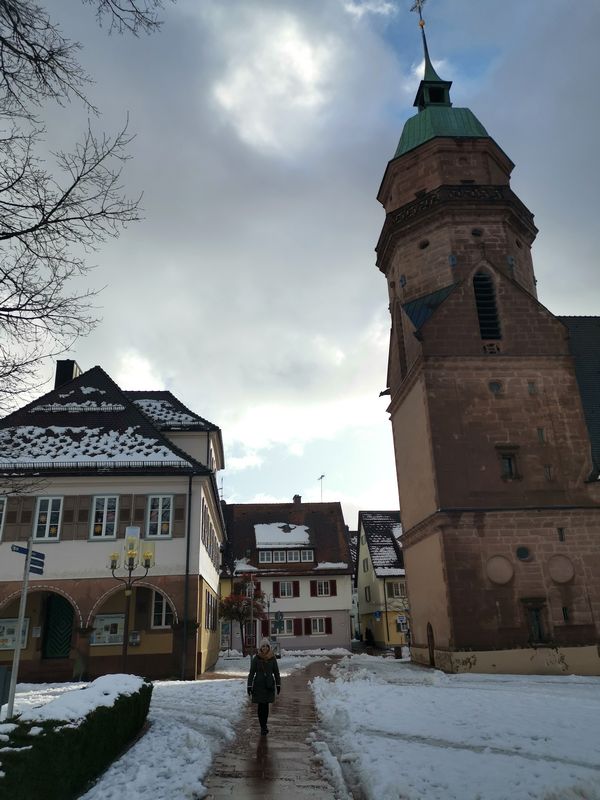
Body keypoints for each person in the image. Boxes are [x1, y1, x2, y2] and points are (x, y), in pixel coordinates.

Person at [247, 638, 281, 735]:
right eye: (263, 646)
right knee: (260, 707)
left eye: (266, 646)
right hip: (258, 686)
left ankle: (264, 725)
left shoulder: (272, 658)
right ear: (260, 648)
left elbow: (276, 672)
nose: (265, 648)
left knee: (265, 707)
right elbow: (251, 673)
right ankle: (262, 726)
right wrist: (249, 686)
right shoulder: (256, 658)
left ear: (269, 647)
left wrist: (278, 684)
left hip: (269, 686)